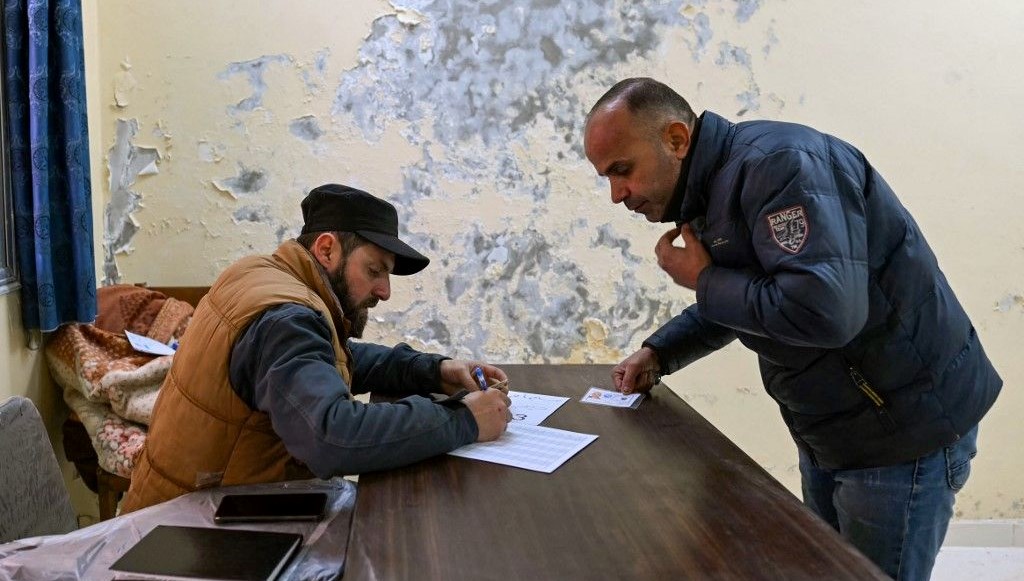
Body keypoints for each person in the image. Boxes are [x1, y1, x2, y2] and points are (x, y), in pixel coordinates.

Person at [583, 77, 1001, 581]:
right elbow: (758, 298)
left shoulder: (781, 167)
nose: (616, 195)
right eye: (606, 177)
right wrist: (660, 352)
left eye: (622, 170)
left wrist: (704, 278)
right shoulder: (712, 190)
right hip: (834, 428)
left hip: (901, 430)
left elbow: (825, 313)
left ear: (676, 139)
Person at [122, 184, 512, 512]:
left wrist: (433, 370)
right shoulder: (286, 319)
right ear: (327, 250)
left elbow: (332, 361)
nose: (385, 292)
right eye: (374, 270)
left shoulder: (261, 274)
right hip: (201, 536)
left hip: (188, 510)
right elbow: (331, 436)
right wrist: (464, 420)